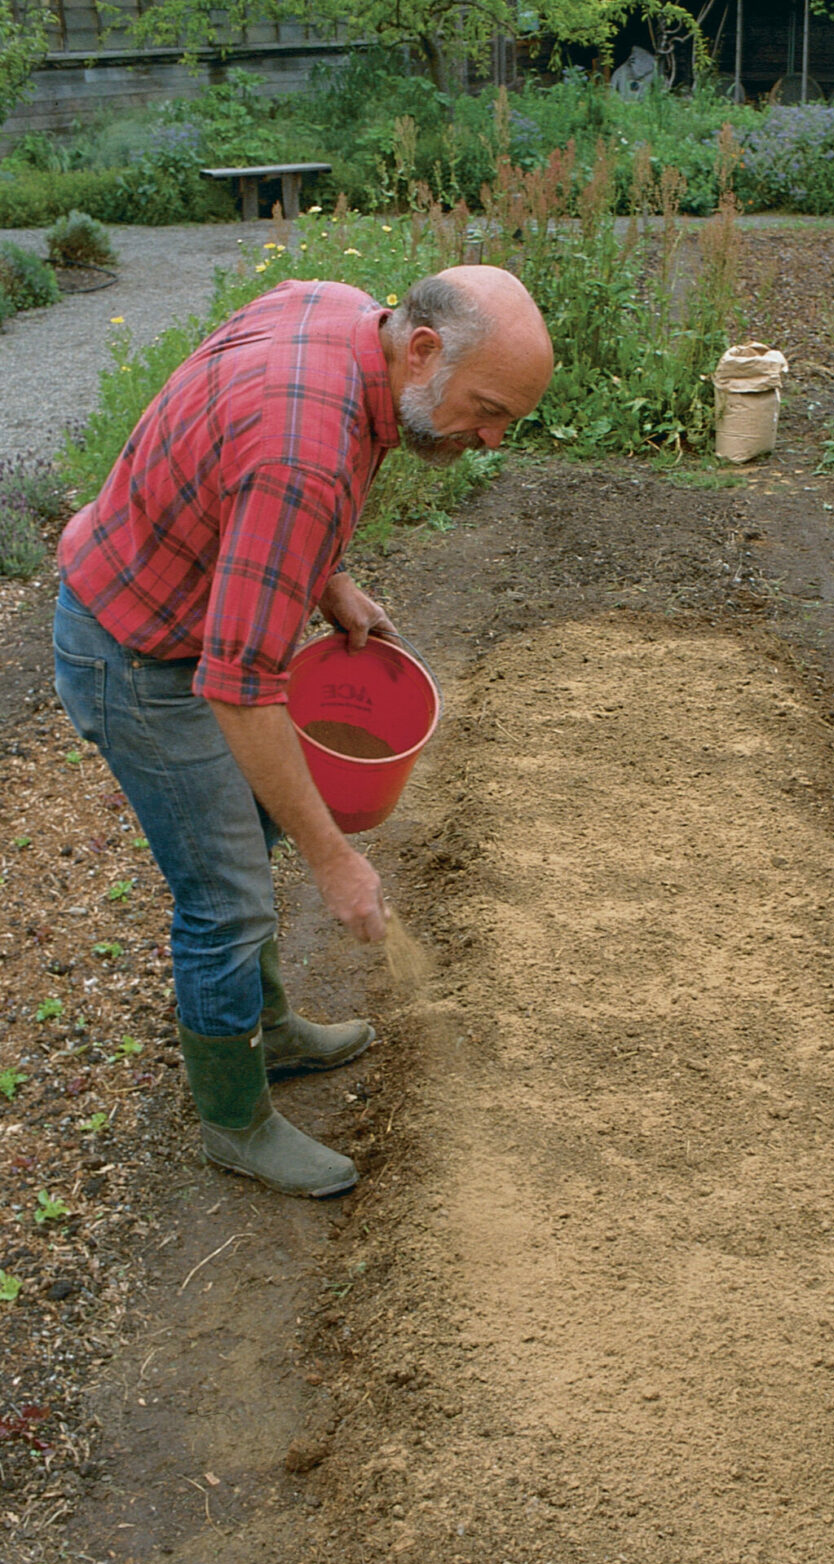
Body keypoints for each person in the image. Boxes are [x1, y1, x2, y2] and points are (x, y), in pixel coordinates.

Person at [53, 266, 554, 1201]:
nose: (490, 437)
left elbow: (229, 473)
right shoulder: (306, 457)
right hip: (137, 653)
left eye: (509, 422)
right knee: (225, 897)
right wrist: (338, 861)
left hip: (166, 601)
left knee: (253, 837)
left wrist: (325, 580)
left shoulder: (336, 311)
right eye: (488, 409)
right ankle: (234, 1122)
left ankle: (268, 1029)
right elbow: (239, 688)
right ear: (423, 350)